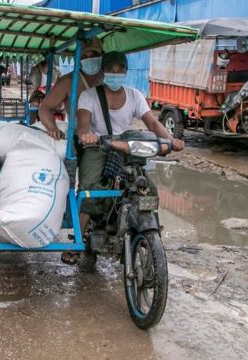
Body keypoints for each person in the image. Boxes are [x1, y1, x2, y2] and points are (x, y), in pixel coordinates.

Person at [61, 51, 185, 265]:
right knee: (90, 190)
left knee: (148, 187)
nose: (115, 74)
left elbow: (152, 124)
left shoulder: (134, 95)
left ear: (126, 71)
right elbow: (83, 124)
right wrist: (86, 136)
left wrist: (171, 139)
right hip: (98, 146)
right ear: (103, 71)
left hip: (127, 147)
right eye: (111, 69)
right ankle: (78, 242)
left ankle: (149, 231)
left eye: (120, 69)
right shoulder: (89, 95)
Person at [39, 38, 105, 139]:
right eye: (85, 57)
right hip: (81, 137)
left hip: (108, 135)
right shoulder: (68, 81)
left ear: (102, 55)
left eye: (94, 55)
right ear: (79, 59)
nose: (90, 59)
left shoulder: (108, 78)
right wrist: (52, 128)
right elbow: (44, 107)